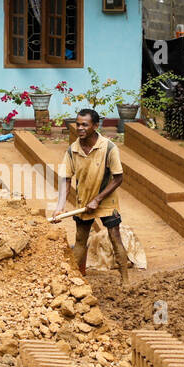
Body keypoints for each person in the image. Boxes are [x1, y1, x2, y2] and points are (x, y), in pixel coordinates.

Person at [52, 107, 131, 284]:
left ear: (95, 125)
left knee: (114, 237)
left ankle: (125, 279)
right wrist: (59, 207)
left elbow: (118, 178)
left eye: (84, 125)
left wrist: (97, 199)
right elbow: (65, 179)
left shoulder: (109, 148)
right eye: (78, 124)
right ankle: (69, 281)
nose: (80, 128)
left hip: (106, 202)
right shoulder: (72, 150)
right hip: (84, 202)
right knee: (80, 240)